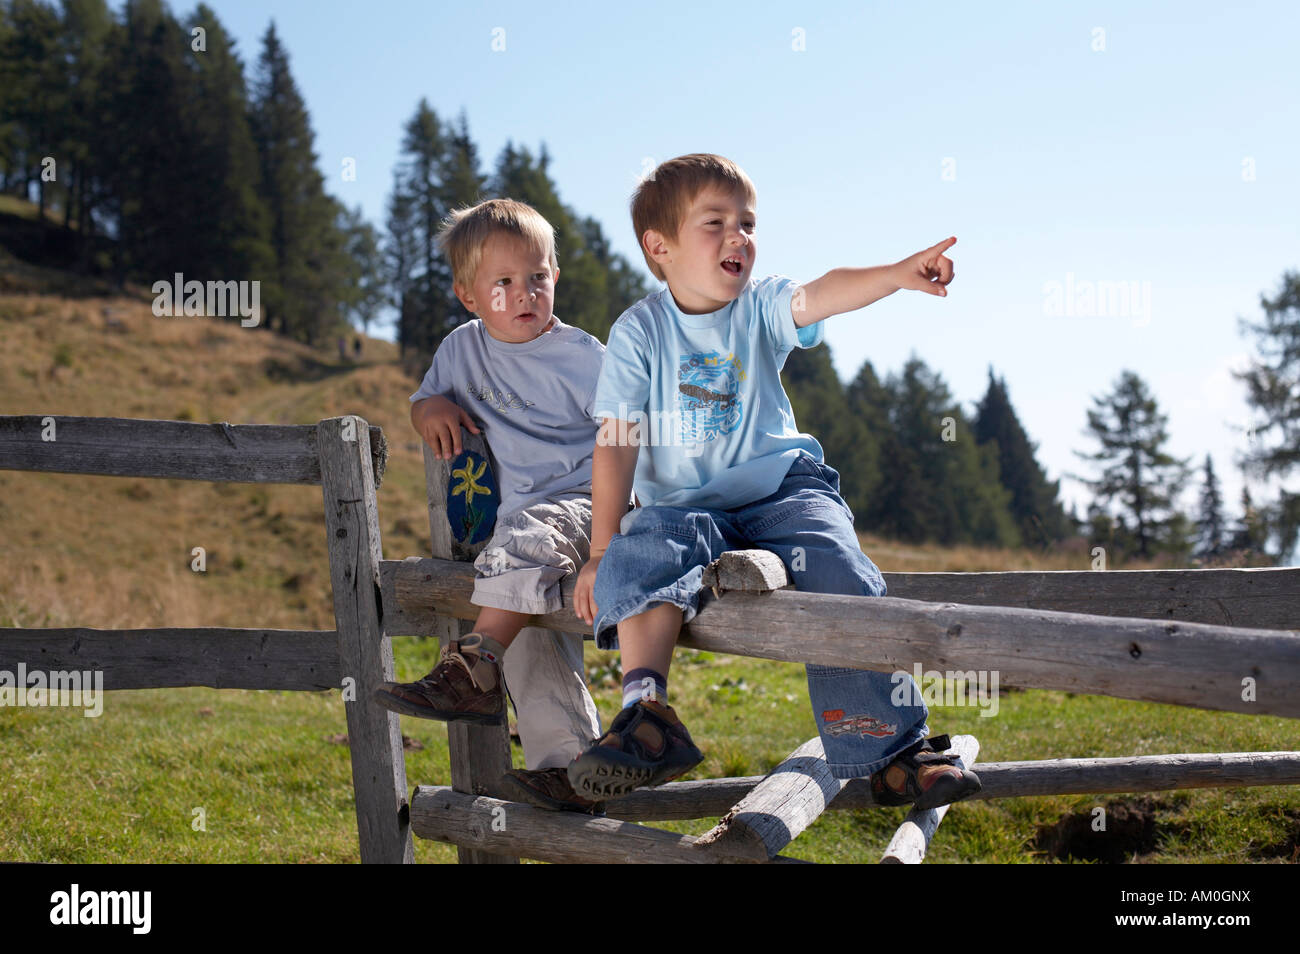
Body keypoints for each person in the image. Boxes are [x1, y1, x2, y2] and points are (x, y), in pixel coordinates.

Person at [567, 154, 982, 810]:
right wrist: (597, 551)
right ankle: (645, 721)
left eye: (748, 223)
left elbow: (822, 292)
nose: (740, 237)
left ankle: (895, 750)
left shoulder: (758, 307)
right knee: (636, 553)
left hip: (782, 490)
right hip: (682, 508)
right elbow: (615, 441)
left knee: (837, 562)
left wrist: (896, 276)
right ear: (660, 246)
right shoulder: (638, 332)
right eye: (716, 223)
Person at [373, 198, 606, 813]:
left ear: (555, 275)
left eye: (536, 277)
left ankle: (471, 670)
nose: (523, 293)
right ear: (469, 296)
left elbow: (629, 438)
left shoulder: (583, 357)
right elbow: (422, 402)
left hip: (587, 505)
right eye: (502, 283)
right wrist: (433, 411)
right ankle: (574, 769)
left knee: (518, 563)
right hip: (516, 532)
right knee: (526, 630)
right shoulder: (460, 351)